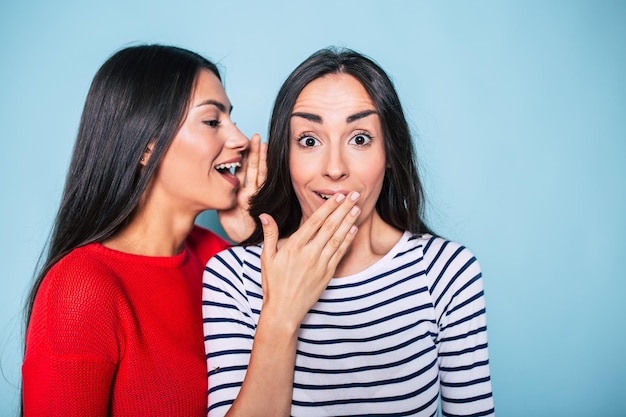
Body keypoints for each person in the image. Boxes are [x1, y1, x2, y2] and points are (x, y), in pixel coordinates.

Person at [202, 47, 495, 416]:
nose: (335, 168)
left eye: (359, 138)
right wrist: (281, 314)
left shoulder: (446, 271)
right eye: (309, 140)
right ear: (285, 156)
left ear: (389, 152)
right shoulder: (232, 277)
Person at [21, 44, 271, 416]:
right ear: (147, 145)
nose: (238, 139)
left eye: (230, 118)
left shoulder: (219, 258)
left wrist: (253, 240)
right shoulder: (80, 289)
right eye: (212, 121)